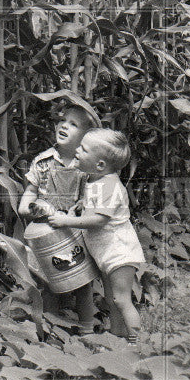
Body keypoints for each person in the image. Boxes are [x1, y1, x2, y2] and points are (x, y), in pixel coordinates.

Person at [47, 129, 145, 343]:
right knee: (112, 299)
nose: (78, 151)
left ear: (100, 165)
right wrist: (83, 204)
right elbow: (95, 203)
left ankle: (137, 341)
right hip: (107, 253)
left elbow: (99, 220)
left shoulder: (109, 185)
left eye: (83, 149)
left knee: (121, 299)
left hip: (120, 252)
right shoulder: (97, 180)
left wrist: (67, 221)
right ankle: (117, 335)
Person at [17, 105, 98, 334]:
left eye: (74, 124)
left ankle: (87, 329)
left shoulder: (87, 166)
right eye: (63, 121)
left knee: (83, 281)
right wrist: (29, 206)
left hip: (74, 227)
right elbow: (31, 193)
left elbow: (90, 198)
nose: (64, 125)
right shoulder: (43, 161)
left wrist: (78, 209)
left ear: (85, 137)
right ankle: (52, 327)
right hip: (46, 228)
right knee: (48, 280)